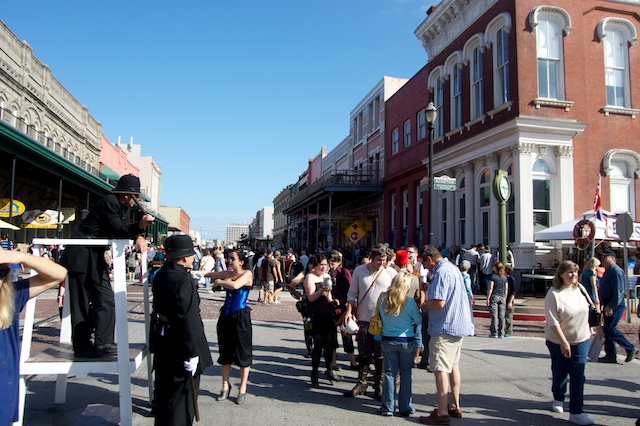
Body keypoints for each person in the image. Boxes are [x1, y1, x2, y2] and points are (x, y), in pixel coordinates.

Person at [60, 174, 155, 358]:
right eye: (135, 196)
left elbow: (124, 229)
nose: (137, 202)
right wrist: (140, 226)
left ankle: (104, 342)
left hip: (95, 254)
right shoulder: (109, 202)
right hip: (80, 252)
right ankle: (82, 345)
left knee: (105, 297)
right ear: (127, 195)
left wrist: (138, 233)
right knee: (81, 301)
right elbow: (118, 229)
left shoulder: (124, 208)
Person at [150, 234, 213, 426]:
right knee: (181, 402)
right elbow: (189, 319)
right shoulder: (184, 281)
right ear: (185, 257)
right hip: (180, 344)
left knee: (164, 396)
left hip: (163, 340)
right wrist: (193, 352)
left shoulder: (162, 274)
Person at [0, 249, 67, 425]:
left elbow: (59, 274)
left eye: (1, 272)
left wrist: (22, 257)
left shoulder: (11, 298)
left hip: (4, 406)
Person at [418, 244, 474, 425]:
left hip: (445, 326)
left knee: (440, 369)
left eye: (425, 264)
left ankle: (442, 412)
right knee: (453, 366)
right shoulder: (452, 268)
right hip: (458, 324)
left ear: (429, 259)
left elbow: (439, 302)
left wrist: (425, 306)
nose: (425, 268)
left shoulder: (441, 272)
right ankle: (454, 404)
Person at [343, 244, 397, 399]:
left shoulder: (391, 272)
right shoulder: (360, 271)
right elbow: (352, 292)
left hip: (383, 320)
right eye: (379, 260)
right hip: (364, 319)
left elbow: (396, 294)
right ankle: (361, 383)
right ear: (372, 258)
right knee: (364, 352)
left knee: (380, 354)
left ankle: (378, 385)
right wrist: (348, 310)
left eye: (384, 260)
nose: (382, 263)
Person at [544, 260, 594, 425]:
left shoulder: (580, 288)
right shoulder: (554, 294)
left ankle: (576, 411)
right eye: (569, 272)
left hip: (581, 339)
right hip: (558, 341)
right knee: (560, 372)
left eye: (575, 271)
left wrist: (594, 327)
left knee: (578, 374)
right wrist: (563, 342)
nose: (573, 275)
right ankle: (558, 397)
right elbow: (553, 322)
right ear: (560, 274)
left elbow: (590, 308)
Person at [206, 250, 254, 404]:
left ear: (241, 261)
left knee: (243, 353)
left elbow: (235, 285)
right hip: (226, 316)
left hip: (240, 317)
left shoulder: (247, 274)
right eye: (228, 258)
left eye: (232, 258)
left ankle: (242, 389)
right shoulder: (227, 273)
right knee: (225, 353)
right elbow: (209, 274)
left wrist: (219, 282)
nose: (229, 261)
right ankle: (225, 386)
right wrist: (190, 271)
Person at [377, 271, 422, 417]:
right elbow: (418, 320)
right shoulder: (408, 302)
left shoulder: (383, 298)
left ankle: (388, 407)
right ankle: (405, 407)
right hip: (406, 340)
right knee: (405, 374)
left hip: (387, 338)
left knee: (389, 374)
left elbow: (379, 316)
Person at [303, 254, 341, 387]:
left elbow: (328, 296)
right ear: (315, 265)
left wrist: (333, 302)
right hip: (315, 314)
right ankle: (314, 373)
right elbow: (311, 298)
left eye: (325, 264)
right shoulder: (310, 277)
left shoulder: (327, 276)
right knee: (318, 345)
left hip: (327, 312)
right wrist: (322, 290)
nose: (323, 267)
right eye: (321, 265)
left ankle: (329, 369)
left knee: (330, 344)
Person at [597, 250, 637, 363]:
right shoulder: (608, 271)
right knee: (607, 329)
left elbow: (619, 291)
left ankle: (630, 348)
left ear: (612, 258)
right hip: (608, 303)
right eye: (602, 257)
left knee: (609, 329)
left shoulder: (616, 271)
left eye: (605, 258)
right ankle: (610, 355)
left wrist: (611, 306)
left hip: (615, 304)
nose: (603, 260)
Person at [328, 250, 358, 370]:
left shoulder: (344, 272)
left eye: (334, 261)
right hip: (330, 308)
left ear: (339, 262)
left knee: (347, 335)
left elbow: (351, 290)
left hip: (343, 308)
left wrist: (347, 305)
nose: (331, 263)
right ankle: (333, 362)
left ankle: (353, 362)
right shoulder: (327, 274)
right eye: (330, 261)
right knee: (331, 336)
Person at [486, 261, 508, 338]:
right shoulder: (504, 277)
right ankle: (501, 332)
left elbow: (490, 288)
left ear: (495, 267)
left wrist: (488, 297)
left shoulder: (493, 276)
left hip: (495, 295)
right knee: (502, 316)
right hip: (502, 296)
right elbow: (506, 289)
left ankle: (494, 332)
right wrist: (505, 297)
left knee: (494, 316)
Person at [504, 264, 517, 338]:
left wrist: (510, 302)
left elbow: (513, 292)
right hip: (504, 300)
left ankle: (509, 331)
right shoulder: (504, 278)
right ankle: (504, 330)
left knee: (508, 317)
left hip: (509, 300)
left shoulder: (511, 279)